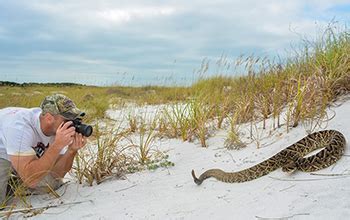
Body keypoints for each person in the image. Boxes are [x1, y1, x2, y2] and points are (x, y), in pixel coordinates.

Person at [0, 94, 88, 207]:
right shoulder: (20, 128)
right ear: (49, 118)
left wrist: (71, 151)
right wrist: (56, 146)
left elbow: (57, 174)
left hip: (18, 153)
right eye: (68, 120)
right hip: (2, 152)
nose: (72, 125)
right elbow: (30, 180)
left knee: (51, 184)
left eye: (74, 120)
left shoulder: (56, 128)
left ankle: (12, 181)